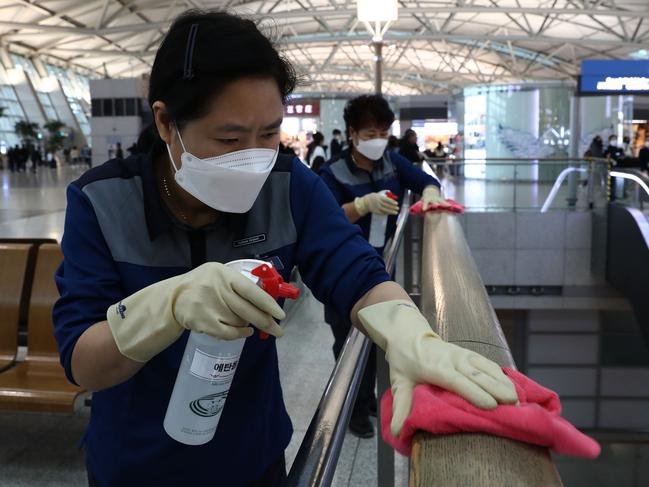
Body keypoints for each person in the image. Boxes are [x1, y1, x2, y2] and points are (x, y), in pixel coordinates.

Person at [53, 10, 516, 487]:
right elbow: (84, 362)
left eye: (269, 133)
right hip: (135, 467)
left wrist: (411, 337)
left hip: (253, 460)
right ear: (167, 121)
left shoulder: (289, 186)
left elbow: (356, 273)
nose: (253, 158)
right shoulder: (102, 202)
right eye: (230, 138)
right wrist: (165, 307)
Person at [318, 95, 474, 438]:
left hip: (377, 267)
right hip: (341, 270)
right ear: (353, 132)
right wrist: (360, 205)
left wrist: (431, 193)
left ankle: (369, 399)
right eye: (371, 130)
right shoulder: (331, 172)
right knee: (347, 342)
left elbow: (423, 180)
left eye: (384, 130)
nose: (379, 137)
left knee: (378, 339)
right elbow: (323, 221)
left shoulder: (391, 162)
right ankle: (354, 410)